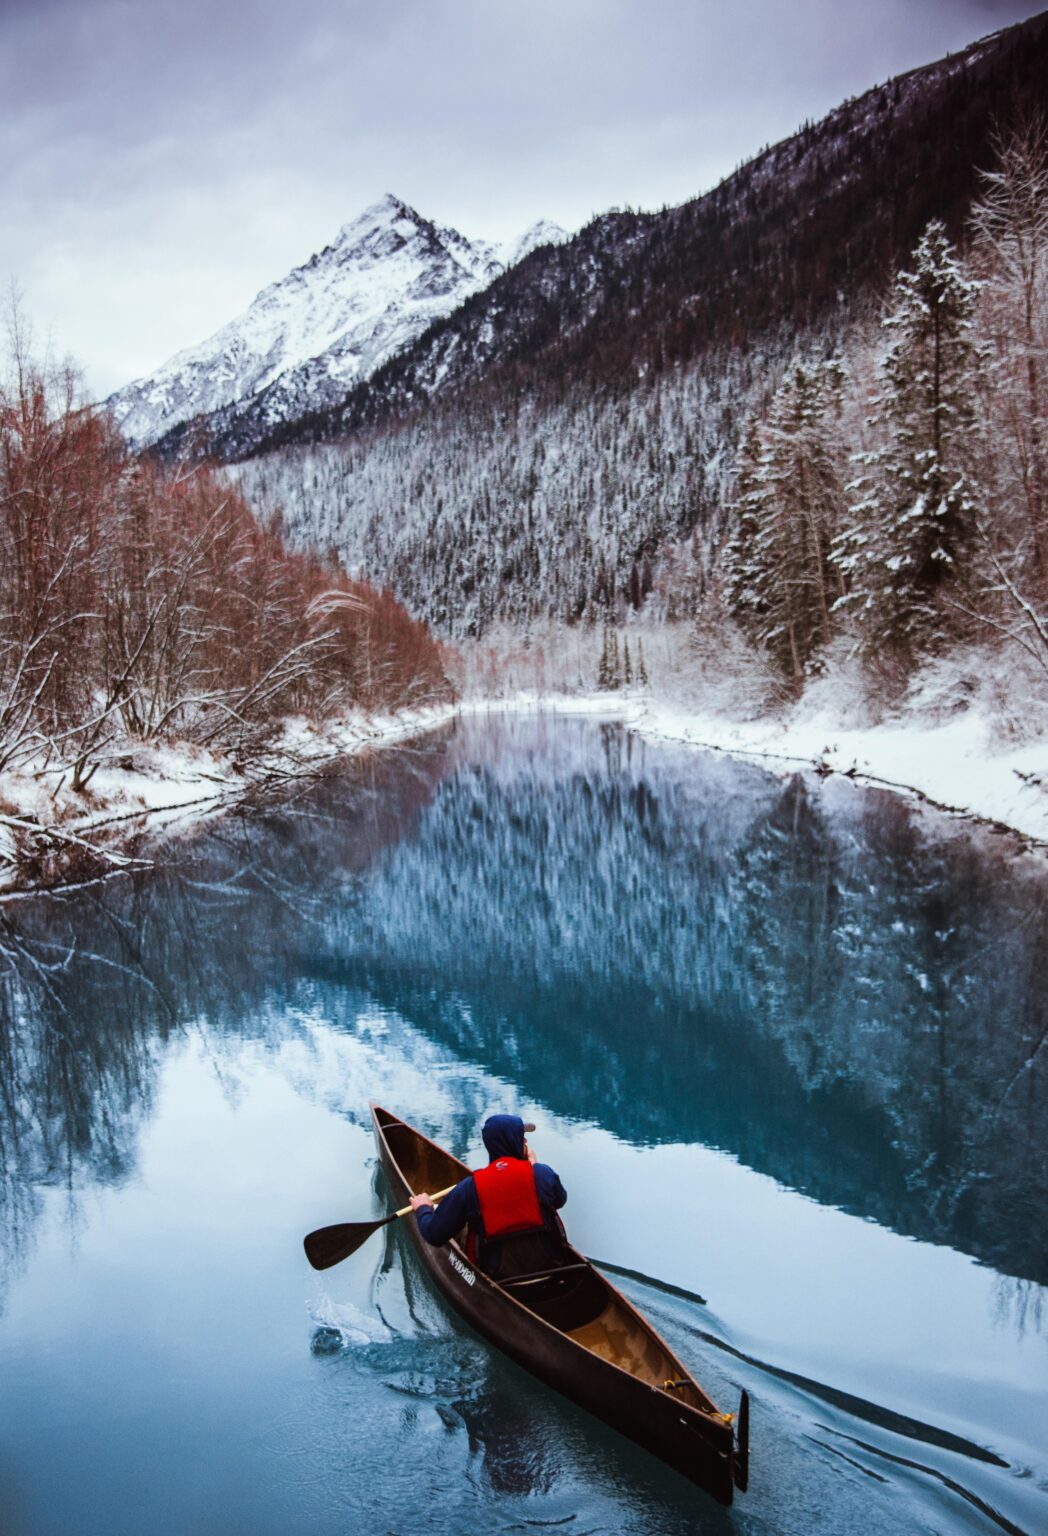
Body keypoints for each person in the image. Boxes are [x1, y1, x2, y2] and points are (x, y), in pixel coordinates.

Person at [410, 1114, 567, 1278]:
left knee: (462, 1220)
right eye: (521, 1137)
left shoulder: (470, 1187)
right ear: (513, 1142)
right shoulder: (542, 1174)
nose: (526, 1142)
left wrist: (423, 1209)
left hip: (499, 1276)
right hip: (553, 1266)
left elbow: (434, 1235)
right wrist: (534, 1168)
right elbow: (560, 1200)